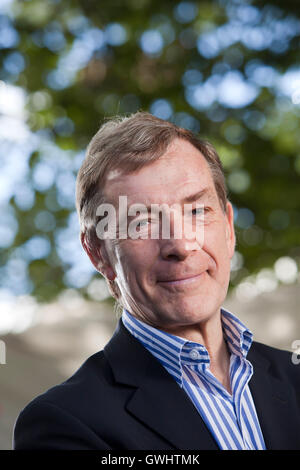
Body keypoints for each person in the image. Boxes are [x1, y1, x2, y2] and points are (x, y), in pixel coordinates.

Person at [13, 112, 300, 450]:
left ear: (228, 227)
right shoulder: (63, 423)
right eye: (143, 222)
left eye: (196, 212)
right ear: (98, 254)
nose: (180, 245)